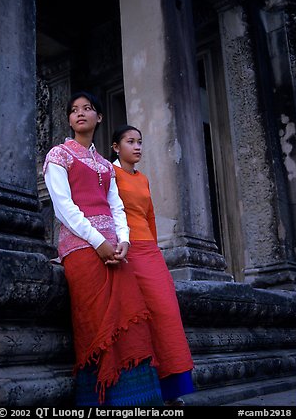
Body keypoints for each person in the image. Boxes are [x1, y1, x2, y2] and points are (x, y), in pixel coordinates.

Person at [43, 92, 164, 407]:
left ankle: (136, 399)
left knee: (131, 317)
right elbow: (63, 207)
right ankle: (99, 398)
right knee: (97, 321)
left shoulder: (104, 165)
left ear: (97, 117)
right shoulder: (58, 155)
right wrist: (98, 242)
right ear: (69, 119)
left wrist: (123, 240)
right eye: (74, 110)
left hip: (115, 249)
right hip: (82, 247)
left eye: (87, 108)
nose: (80, 113)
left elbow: (116, 206)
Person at [111, 124, 195, 406]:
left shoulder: (143, 179)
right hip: (126, 249)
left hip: (149, 251)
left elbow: (149, 217)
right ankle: (143, 390)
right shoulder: (110, 174)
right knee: (138, 318)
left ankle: (171, 389)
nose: (137, 147)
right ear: (116, 148)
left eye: (140, 142)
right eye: (130, 142)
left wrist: (155, 250)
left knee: (167, 312)